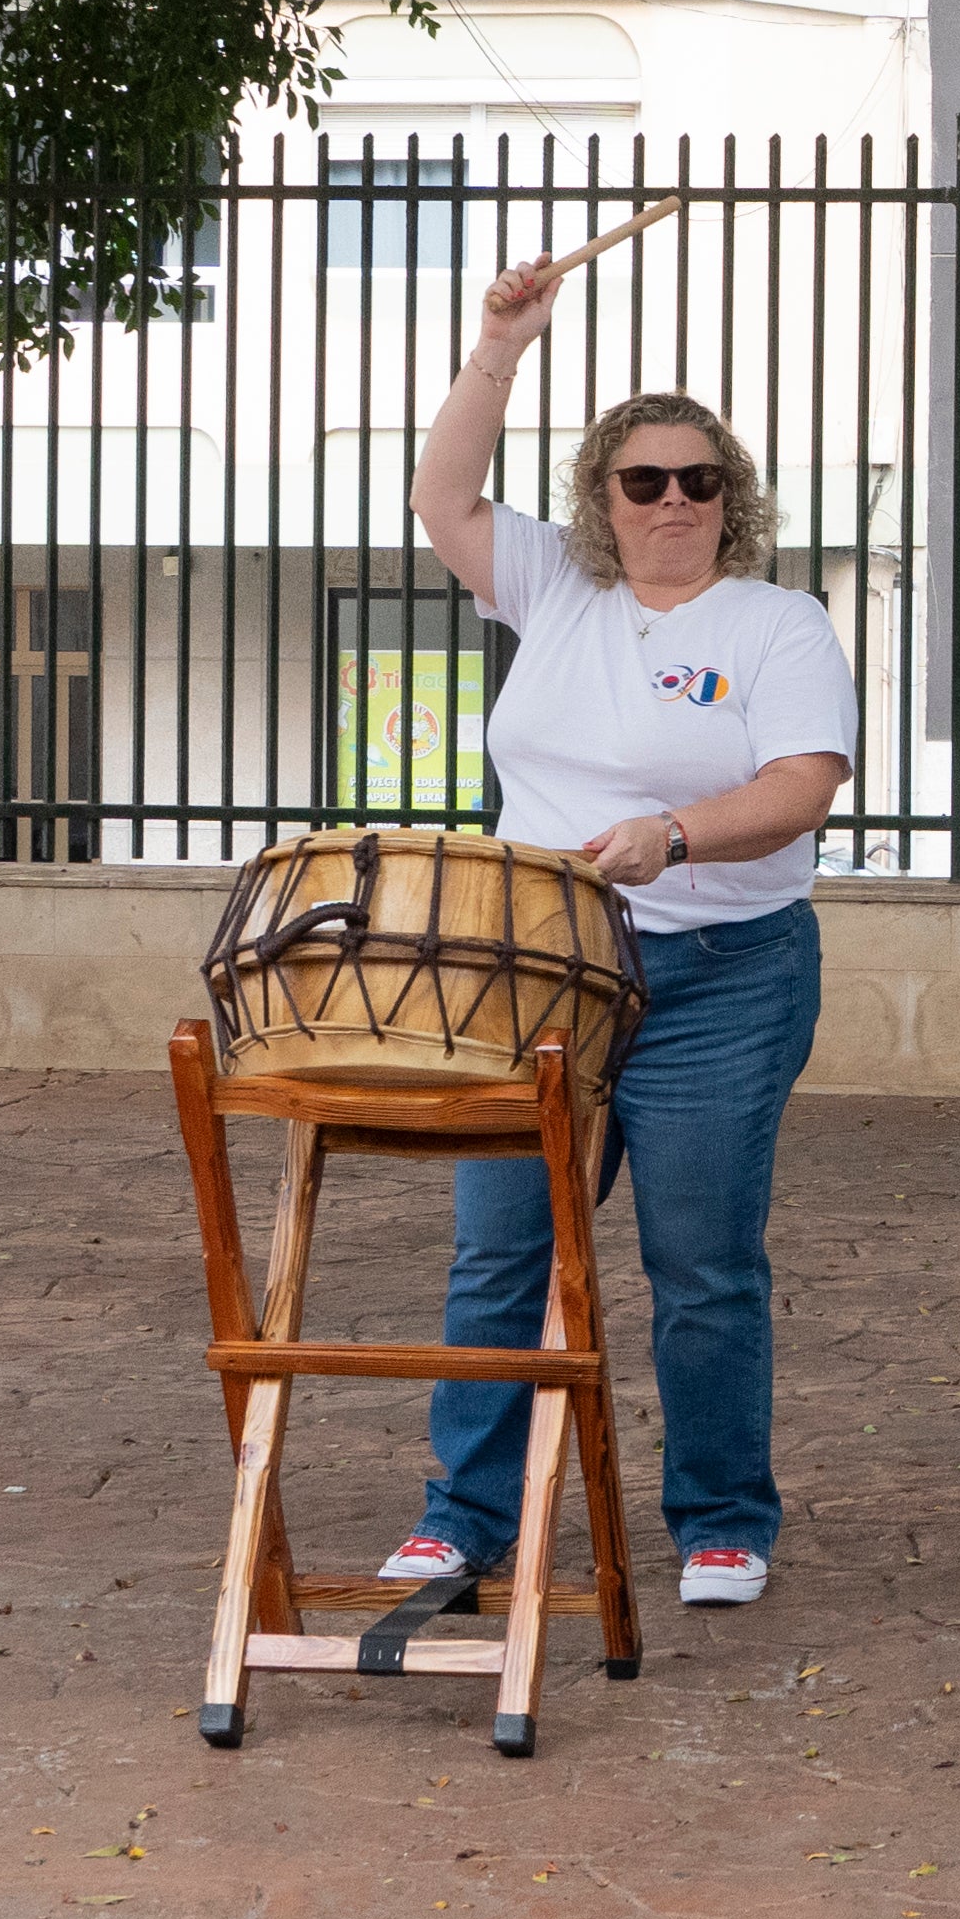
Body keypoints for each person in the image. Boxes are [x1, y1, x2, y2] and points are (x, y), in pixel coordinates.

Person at [382, 265, 862, 1613]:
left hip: (719, 978)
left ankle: (719, 1516)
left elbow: (801, 785)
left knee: (700, 1259)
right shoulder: (554, 590)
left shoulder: (777, 622)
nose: (670, 503)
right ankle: (464, 1512)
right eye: (641, 480)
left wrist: (678, 833)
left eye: (697, 481)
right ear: (599, 495)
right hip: (541, 970)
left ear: (732, 499)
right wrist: (500, 343)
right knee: (501, 1247)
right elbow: (443, 496)